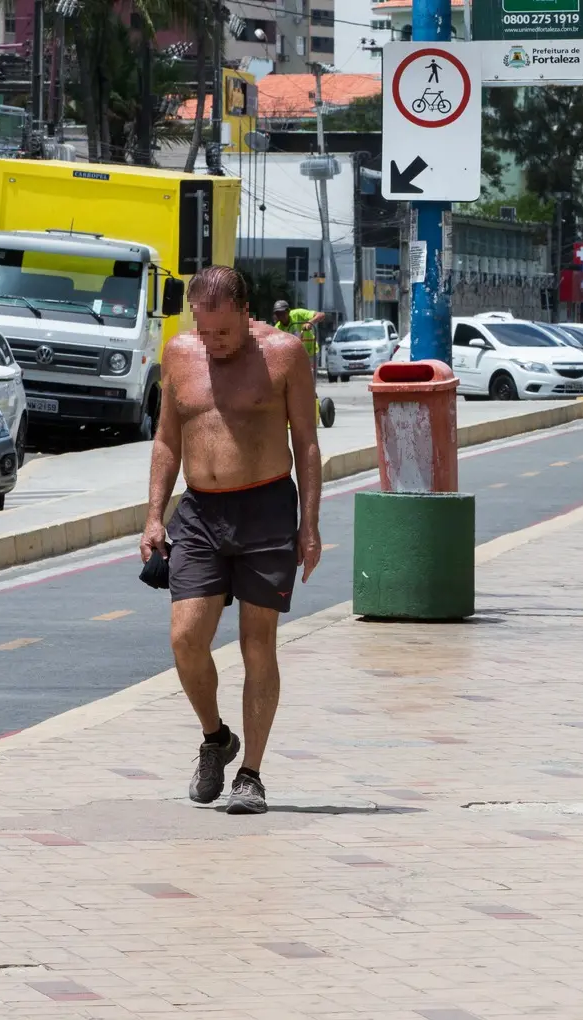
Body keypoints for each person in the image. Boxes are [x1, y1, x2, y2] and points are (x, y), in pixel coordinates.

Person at [143, 267, 325, 815]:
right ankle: (216, 738)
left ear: (247, 313)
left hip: (266, 509)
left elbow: (307, 443)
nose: (214, 342)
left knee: (257, 643)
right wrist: (154, 517)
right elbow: (166, 440)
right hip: (200, 512)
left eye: (224, 331)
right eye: (204, 330)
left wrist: (310, 525)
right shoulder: (180, 355)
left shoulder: (285, 354)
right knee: (186, 638)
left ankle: (251, 775)